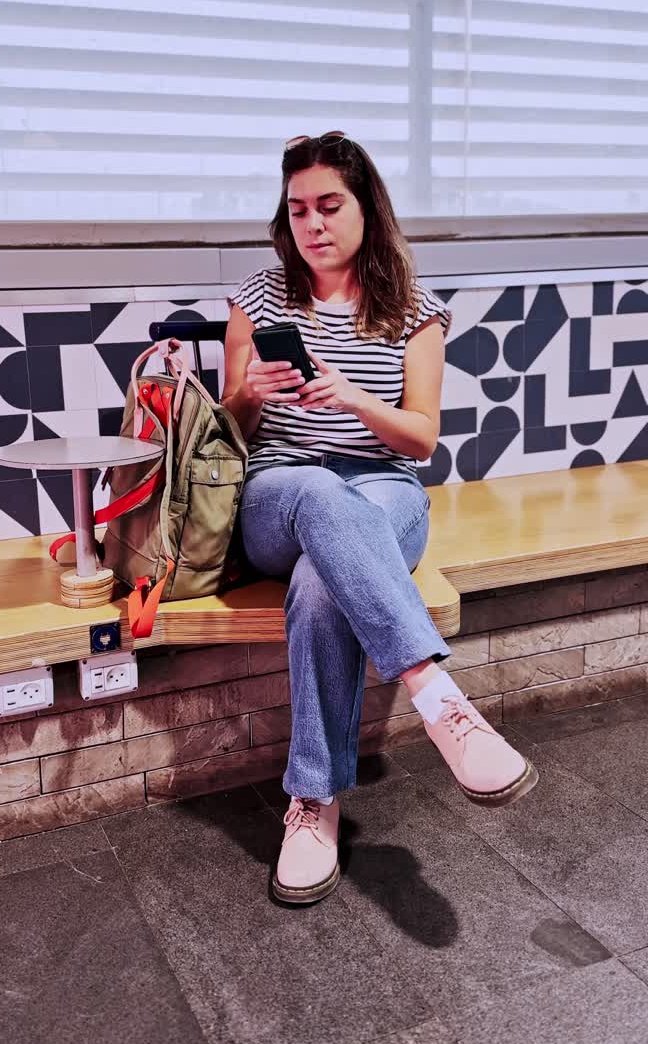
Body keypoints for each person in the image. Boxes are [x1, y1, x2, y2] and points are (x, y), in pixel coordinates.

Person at [221, 131, 538, 906]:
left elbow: (422, 439)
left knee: (322, 585)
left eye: (330, 205)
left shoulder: (413, 310)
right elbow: (230, 432)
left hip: (385, 491)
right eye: (298, 209)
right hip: (280, 492)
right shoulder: (256, 299)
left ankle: (314, 804)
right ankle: (441, 700)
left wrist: (357, 399)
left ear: (367, 208)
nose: (313, 223)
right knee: (320, 499)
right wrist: (251, 393)